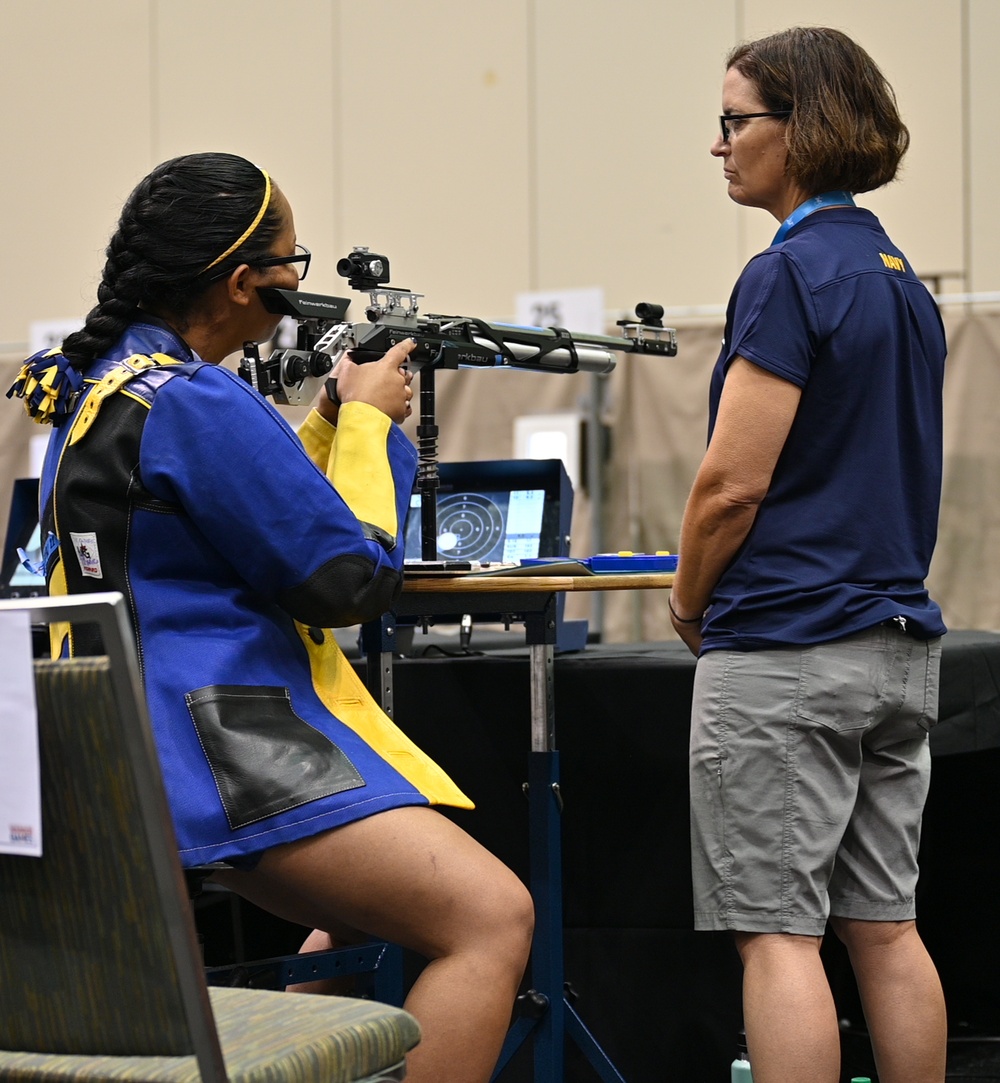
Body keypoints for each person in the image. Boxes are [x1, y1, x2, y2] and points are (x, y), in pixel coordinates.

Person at [8, 152, 533, 1083]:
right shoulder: (202, 399)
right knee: (492, 917)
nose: (303, 279)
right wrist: (372, 427)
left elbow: (233, 517)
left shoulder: (107, 386)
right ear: (245, 281)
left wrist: (326, 418)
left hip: (122, 746)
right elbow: (346, 580)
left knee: (366, 912)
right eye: (294, 262)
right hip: (217, 748)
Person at [668, 28, 947, 1083]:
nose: (720, 145)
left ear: (802, 128)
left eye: (736, 121)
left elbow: (732, 482)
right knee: (882, 925)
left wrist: (690, 599)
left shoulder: (784, 274)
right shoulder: (898, 280)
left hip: (786, 647)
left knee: (778, 935)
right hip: (895, 646)